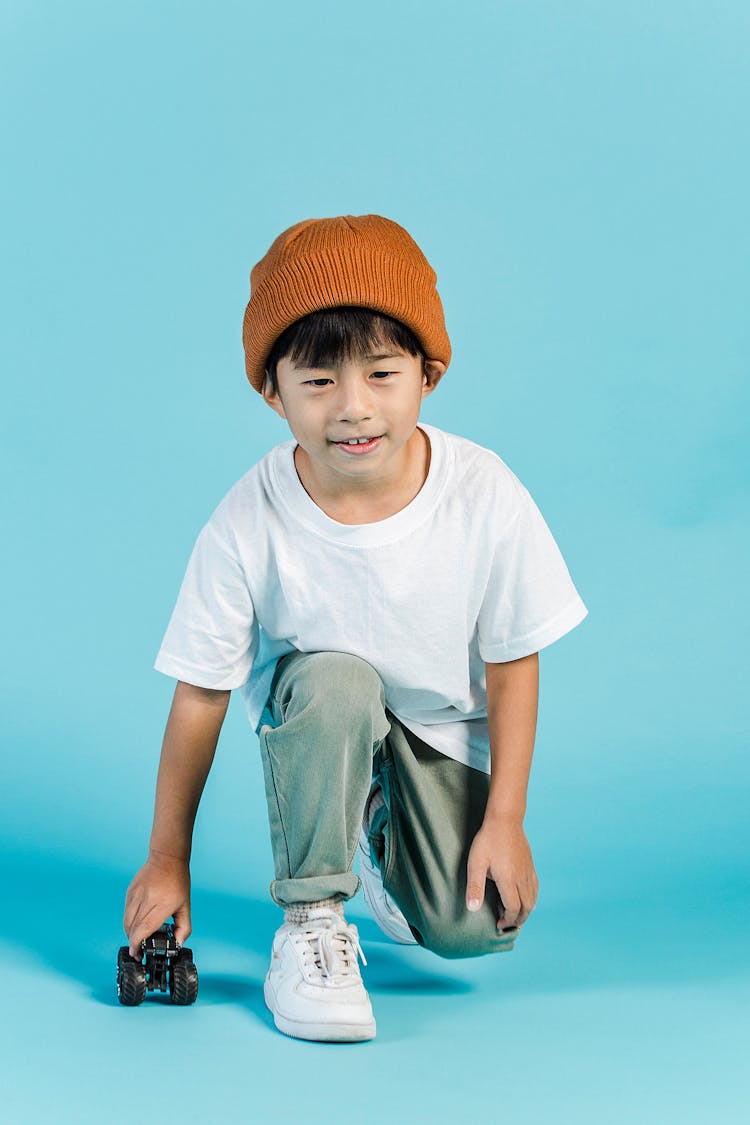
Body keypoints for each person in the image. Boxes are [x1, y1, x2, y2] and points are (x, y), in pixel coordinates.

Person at [123, 213, 588, 1042]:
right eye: (318, 382)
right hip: (323, 717)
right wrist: (168, 856)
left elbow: (515, 658)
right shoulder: (247, 521)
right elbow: (200, 693)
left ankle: (372, 825)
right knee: (339, 679)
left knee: (475, 925)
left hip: (440, 735)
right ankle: (311, 919)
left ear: (428, 373)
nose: (354, 408)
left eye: (381, 373)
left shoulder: (484, 493)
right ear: (273, 391)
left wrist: (505, 819)